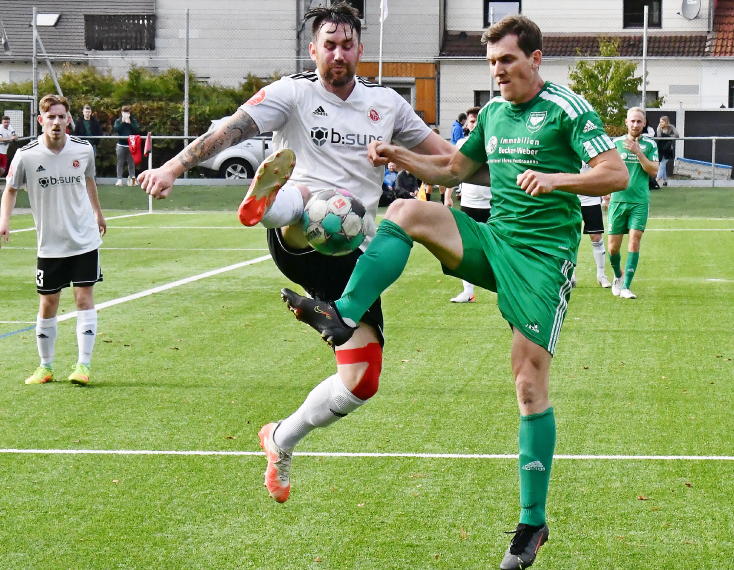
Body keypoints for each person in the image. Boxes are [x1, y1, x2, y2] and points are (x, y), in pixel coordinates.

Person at [284, 14, 627, 569]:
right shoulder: (492, 114)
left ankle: (532, 525)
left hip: (543, 261)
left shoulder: (567, 108)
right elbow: (452, 169)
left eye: (508, 62)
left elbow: (616, 173)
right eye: (492, 64)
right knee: (406, 211)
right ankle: (344, 312)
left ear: (535, 59)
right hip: (494, 239)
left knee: (527, 383)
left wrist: (560, 179)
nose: (498, 73)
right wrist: (400, 157)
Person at [136, 0, 454, 511]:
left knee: (362, 380)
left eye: (346, 45)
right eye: (329, 45)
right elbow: (230, 130)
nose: (338, 54)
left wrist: (510, 175)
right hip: (299, 238)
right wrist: (173, 167)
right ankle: (267, 203)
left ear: (359, 49)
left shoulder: (387, 106)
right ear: (314, 49)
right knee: (312, 205)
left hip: (356, 256)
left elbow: (447, 157)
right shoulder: (294, 93)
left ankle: (280, 439)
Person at [0, 94, 106, 386]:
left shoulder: (83, 150)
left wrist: (97, 213)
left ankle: (83, 366)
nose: (56, 122)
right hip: (50, 243)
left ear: (69, 119)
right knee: (48, 304)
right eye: (50, 117)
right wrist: (4, 221)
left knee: (83, 298)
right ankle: (45, 367)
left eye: (61, 116)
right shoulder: (26, 155)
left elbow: (89, 180)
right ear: (41, 120)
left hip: (83, 239)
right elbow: (10, 189)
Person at [607, 106, 659, 299]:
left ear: (644, 123)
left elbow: (653, 171)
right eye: (632, 121)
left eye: (639, 121)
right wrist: (604, 192)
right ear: (626, 122)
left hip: (639, 201)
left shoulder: (650, 145)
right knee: (612, 248)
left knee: (634, 240)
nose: (635, 124)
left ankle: (627, 287)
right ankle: (617, 275)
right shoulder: (615, 144)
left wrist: (639, 153)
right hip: (618, 200)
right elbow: (607, 168)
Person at [444, 106, 491, 303]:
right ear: (467, 125)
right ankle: (468, 292)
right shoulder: (461, 144)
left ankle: (509, 289)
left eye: (477, 121)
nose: (474, 124)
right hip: (469, 204)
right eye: (471, 121)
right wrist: (448, 195)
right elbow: (453, 171)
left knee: (497, 248)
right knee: (466, 248)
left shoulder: (492, 143)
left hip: (493, 204)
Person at [113, 105, 140, 186]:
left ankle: (132, 179)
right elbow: (116, 130)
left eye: (127, 113)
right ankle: (119, 180)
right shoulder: (118, 120)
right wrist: (122, 122)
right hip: (121, 145)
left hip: (131, 145)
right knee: (120, 163)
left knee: (131, 163)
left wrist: (130, 123)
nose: (126, 114)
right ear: (121, 113)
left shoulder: (133, 120)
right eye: (124, 112)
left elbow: (137, 130)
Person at [0, 115, 18, 191]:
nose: (6, 123)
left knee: (3, 170)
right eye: (5, 122)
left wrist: (14, 137)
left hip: (4, 152)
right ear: (2, 122)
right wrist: (10, 138)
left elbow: (15, 136)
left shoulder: (10, 128)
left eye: (7, 122)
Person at [654, 115, 679, 187]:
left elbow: (677, 135)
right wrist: (659, 127)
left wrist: (668, 137)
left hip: (668, 147)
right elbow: (659, 136)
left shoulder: (671, 127)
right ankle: (665, 181)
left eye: (662, 122)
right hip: (661, 147)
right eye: (660, 122)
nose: (661, 123)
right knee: (662, 163)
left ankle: (657, 180)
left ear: (666, 121)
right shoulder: (660, 128)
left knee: (662, 163)